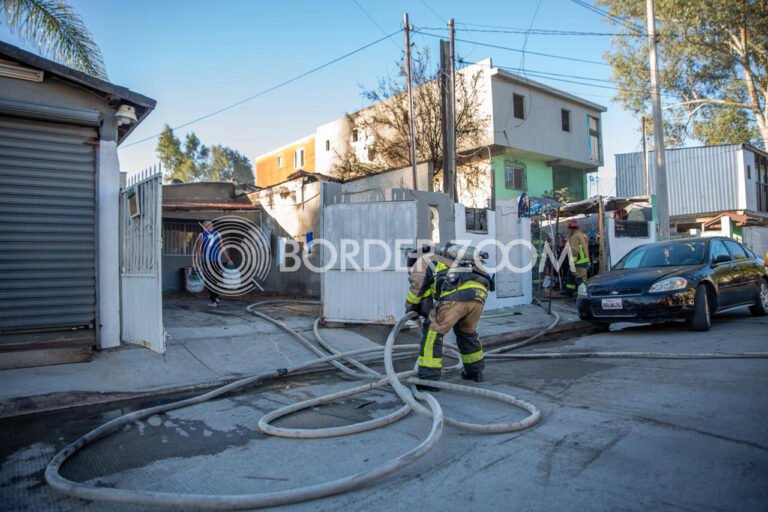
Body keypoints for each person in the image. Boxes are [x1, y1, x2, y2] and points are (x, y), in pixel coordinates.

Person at [405, 243, 493, 392]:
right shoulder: (449, 259)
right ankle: (475, 372)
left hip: (457, 291)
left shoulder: (422, 261)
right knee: (467, 331)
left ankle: (428, 379)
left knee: (433, 332)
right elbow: (428, 292)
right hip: (479, 292)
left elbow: (416, 289)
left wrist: (410, 308)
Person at [193, 220, 233, 307]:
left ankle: (213, 301)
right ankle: (216, 297)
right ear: (212, 227)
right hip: (216, 261)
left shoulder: (201, 235)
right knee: (216, 280)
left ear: (204, 227)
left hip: (206, 262)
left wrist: (196, 262)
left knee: (209, 281)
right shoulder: (217, 234)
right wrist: (229, 260)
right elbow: (222, 248)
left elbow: (198, 251)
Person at [565, 219, 590, 296]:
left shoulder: (574, 236)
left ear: (571, 228)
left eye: (568, 228)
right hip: (585, 260)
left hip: (578, 261)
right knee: (572, 276)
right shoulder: (583, 235)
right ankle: (570, 292)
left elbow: (574, 250)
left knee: (580, 279)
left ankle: (582, 295)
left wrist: (572, 262)